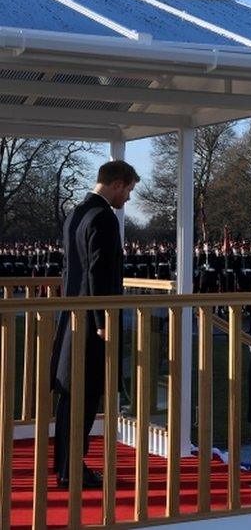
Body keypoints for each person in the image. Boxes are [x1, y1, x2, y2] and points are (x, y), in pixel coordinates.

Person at [51, 160, 139, 489]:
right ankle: (72, 469)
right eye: (128, 190)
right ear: (117, 184)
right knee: (84, 397)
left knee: (70, 397)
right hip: (91, 322)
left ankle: (65, 465)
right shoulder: (103, 217)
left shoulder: (77, 212)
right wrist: (104, 320)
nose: (128, 197)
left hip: (72, 316)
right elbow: (99, 273)